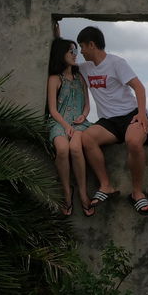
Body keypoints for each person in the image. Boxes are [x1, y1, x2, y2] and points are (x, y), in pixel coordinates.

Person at [76, 26, 148, 215]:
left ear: (92, 45)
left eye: (82, 47)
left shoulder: (116, 63)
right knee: (87, 138)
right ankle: (106, 185)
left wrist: (142, 114)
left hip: (130, 114)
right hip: (108, 122)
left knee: (134, 142)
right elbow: (64, 58)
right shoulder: (84, 68)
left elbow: (139, 88)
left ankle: (137, 193)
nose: (81, 52)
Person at [46, 38, 93, 217]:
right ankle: (67, 192)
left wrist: (84, 115)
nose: (75, 54)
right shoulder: (54, 79)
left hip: (80, 124)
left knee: (75, 148)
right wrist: (65, 126)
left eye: (76, 51)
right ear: (61, 54)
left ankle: (82, 192)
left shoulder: (80, 77)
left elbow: (87, 104)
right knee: (63, 149)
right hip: (59, 121)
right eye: (71, 51)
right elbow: (52, 109)